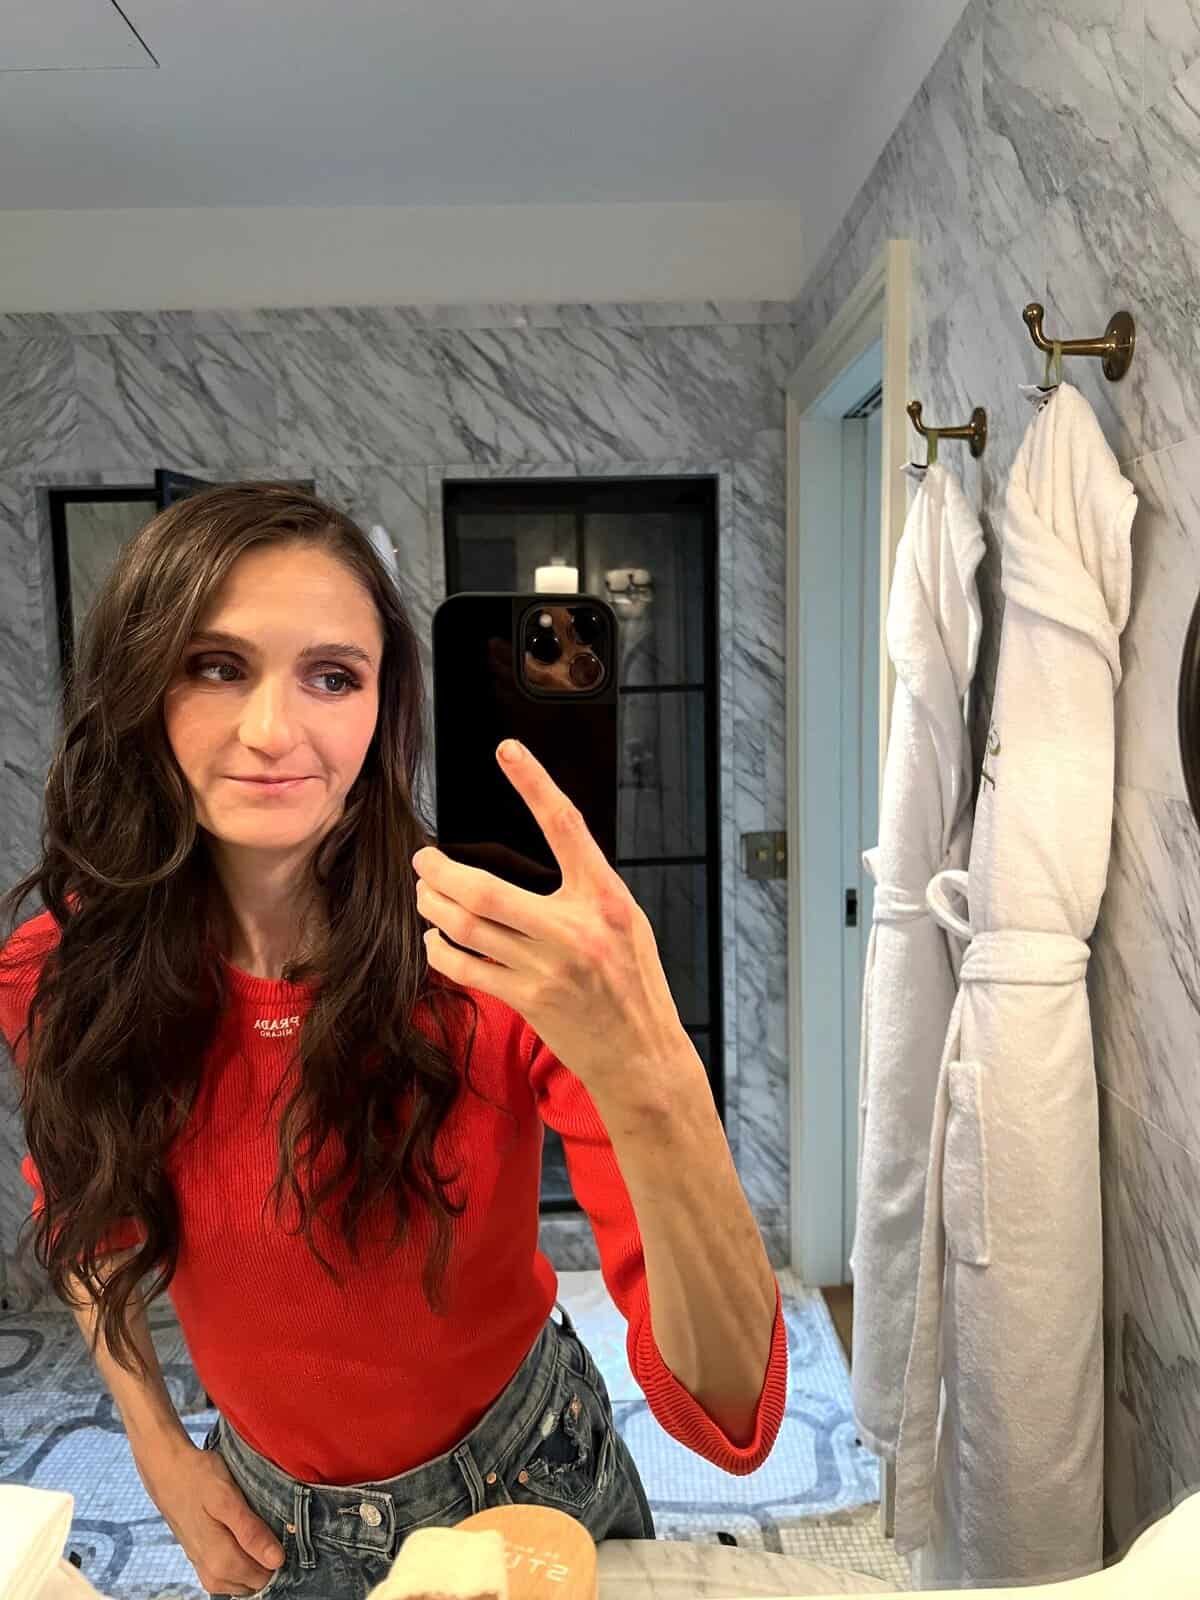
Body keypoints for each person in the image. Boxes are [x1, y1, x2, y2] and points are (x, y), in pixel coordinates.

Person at [0, 483, 787, 1600]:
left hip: (530, 1480)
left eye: (333, 676)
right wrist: (157, 1445)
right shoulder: (61, 972)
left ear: (384, 711)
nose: (273, 732)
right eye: (216, 667)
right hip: (269, 1519)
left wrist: (652, 1068)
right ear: (140, 685)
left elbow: (727, 1409)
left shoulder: (492, 958)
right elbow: (84, 1214)